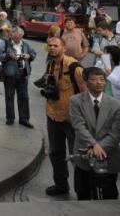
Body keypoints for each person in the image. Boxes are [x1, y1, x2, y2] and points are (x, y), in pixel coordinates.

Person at [69, 67, 120, 200]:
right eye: (94, 79)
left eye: (102, 79)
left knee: (109, 193)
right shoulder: (76, 100)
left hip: (108, 154)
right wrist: (93, 144)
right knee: (83, 192)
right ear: (86, 82)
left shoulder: (116, 104)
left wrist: (100, 147)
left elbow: (117, 131)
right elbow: (78, 125)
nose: (99, 83)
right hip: (84, 152)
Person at [43, 36, 86, 196]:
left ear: (64, 48)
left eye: (56, 45)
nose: (52, 48)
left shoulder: (74, 66)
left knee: (77, 156)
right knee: (56, 153)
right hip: (53, 115)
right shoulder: (49, 64)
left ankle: (82, 190)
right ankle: (61, 185)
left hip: (72, 120)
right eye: (50, 46)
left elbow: (85, 93)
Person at [0, 27, 37, 127]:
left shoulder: (26, 43)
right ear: (12, 35)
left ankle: (24, 119)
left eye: (20, 37)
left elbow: (33, 54)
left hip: (23, 74)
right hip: (10, 74)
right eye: (17, 38)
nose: (18, 40)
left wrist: (29, 56)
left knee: (24, 97)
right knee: (9, 97)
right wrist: (9, 56)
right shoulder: (5, 43)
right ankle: (10, 118)